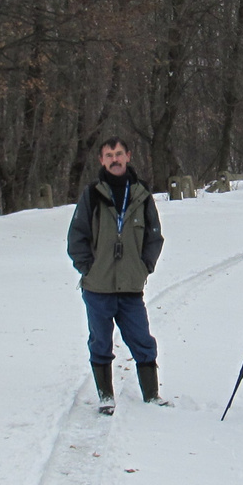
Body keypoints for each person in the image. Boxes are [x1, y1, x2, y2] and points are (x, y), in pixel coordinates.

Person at [67, 137, 166, 413]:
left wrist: (144, 266)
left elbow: (154, 236)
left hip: (130, 287)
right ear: (101, 160)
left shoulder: (141, 194)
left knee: (143, 340)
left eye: (119, 154)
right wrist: (88, 267)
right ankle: (105, 396)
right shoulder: (92, 194)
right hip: (97, 287)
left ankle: (152, 396)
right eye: (109, 155)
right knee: (100, 340)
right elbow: (77, 237)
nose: (114, 159)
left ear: (128, 156)